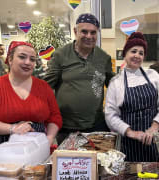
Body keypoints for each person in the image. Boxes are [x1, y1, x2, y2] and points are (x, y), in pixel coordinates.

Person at [0, 41, 62, 165]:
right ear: (10, 60)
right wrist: (12, 129)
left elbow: (55, 117)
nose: (27, 62)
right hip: (2, 151)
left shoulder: (43, 87)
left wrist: (49, 139)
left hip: (36, 149)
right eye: (22, 57)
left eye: (32, 59)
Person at [43, 13, 114, 145]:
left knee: (97, 162)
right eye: (84, 31)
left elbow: (114, 85)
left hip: (96, 125)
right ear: (75, 31)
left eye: (93, 32)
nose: (89, 36)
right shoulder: (61, 55)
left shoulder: (104, 58)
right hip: (66, 127)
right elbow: (45, 87)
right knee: (70, 164)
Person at [105, 32, 159, 162]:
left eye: (141, 53)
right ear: (125, 54)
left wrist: (154, 127)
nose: (137, 55)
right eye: (133, 51)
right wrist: (130, 132)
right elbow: (110, 115)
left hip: (155, 138)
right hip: (129, 143)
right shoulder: (116, 82)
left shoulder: (153, 75)